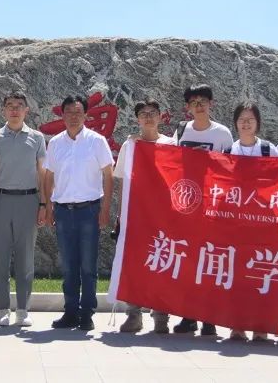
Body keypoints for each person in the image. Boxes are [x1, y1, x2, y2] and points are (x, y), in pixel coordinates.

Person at [44, 95, 114, 331]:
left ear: (86, 115)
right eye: (69, 112)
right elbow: (49, 176)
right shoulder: (55, 143)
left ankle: (87, 313)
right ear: (62, 115)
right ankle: (71, 311)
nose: (73, 117)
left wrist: (105, 209)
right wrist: (48, 206)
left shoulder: (97, 141)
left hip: (89, 211)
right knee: (68, 265)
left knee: (88, 265)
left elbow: (108, 175)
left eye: (78, 112)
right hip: (63, 211)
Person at [172, 84, 232, 336]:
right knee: (188, 261)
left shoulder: (222, 133)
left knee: (211, 261)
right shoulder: (181, 130)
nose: (198, 106)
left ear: (211, 104)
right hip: (187, 205)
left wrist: (208, 160)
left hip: (213, 206)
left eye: (203, 101)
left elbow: (232, 168)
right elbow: (170, 162)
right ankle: (188, 316)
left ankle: (210, 318)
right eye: (193, 102)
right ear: (188, 106)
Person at [0, 92, 47, 327]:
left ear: (26, 110)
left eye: (19, 105)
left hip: (29, 200)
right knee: (0, 257)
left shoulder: (37, 138)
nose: (14, 110)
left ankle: (22, 309)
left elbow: (42, 173)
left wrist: (43, 204)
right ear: (3, 110)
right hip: (1, 200)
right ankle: (3, 309)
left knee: (25, 257)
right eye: (10, 105)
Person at [115, 99, 174, 334]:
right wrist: (121, 214)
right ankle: (133, 314)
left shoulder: (171, 144)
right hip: (136, 213)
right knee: (135, 264)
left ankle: (161, 316)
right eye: (143, 113)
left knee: (162, 262)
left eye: (152, 112)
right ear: (137, 119)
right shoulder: (130, 146)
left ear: (160, 116)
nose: (148, 117)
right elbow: (123, 180)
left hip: (163, 215)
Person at [227, 101, 278, 343]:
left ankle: (261, 326)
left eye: (250, 119)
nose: (246, 124)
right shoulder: (228, 151)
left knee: (261, 272)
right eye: (242, 119)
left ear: (258, 123)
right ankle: (237, 325)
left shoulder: (269, 150)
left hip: (264, 222)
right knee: (238, 274)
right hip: (237, 223)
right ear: (235, 123)